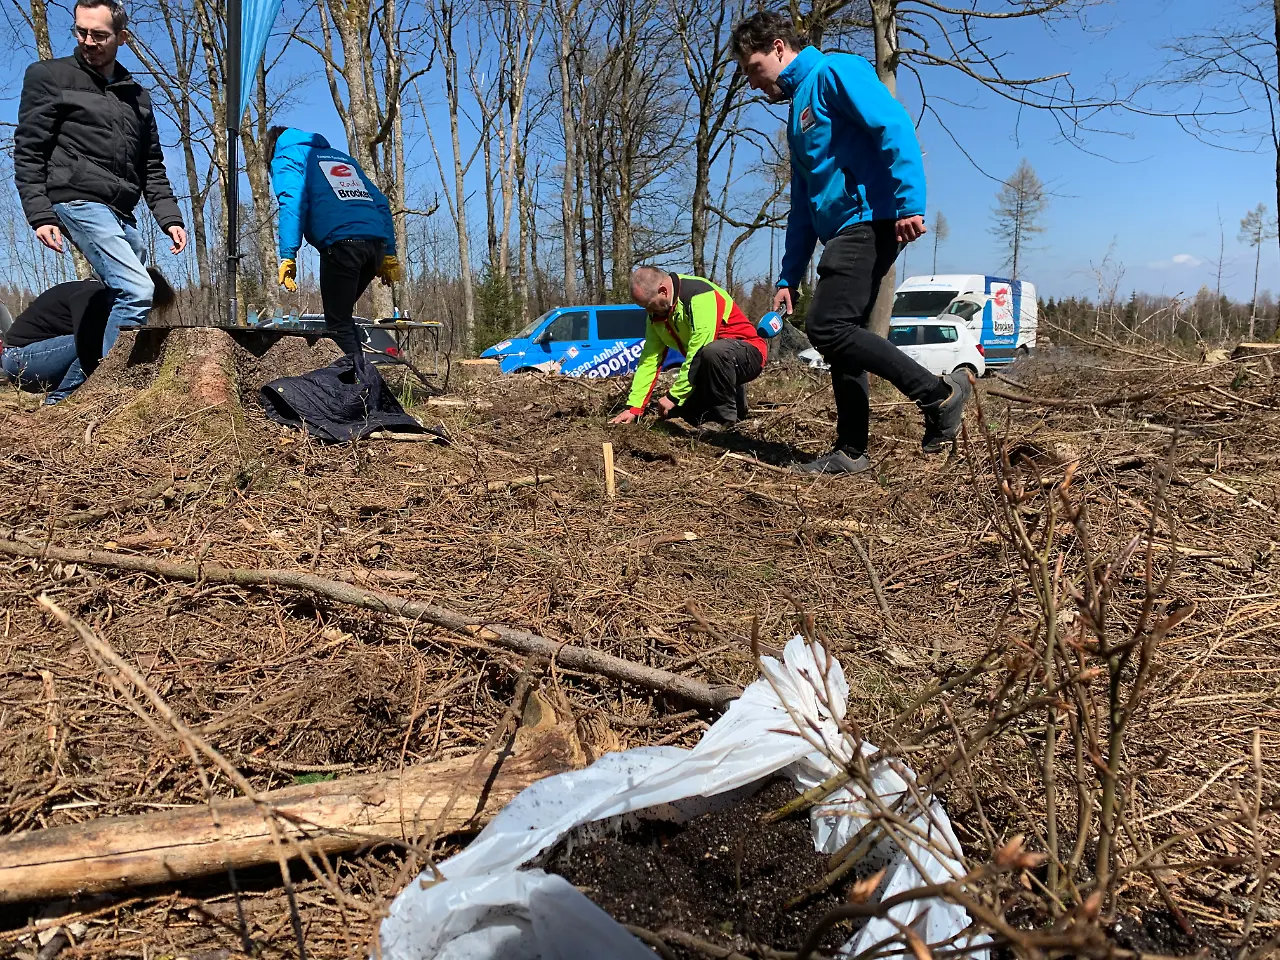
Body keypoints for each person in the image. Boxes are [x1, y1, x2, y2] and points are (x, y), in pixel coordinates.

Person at [731, 11, 972, 475]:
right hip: (842, 227)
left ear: (779, 48)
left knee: (827, 327)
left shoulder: (835, 72)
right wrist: (787, 275)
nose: (754, 84)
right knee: (843, 338)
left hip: (872, 218)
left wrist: (909, 203)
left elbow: (892, 126)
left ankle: (940, 396)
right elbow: (802, 203)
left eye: (754, 69)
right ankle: (852, 451)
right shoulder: (798, 114)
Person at [14, 0, 187, 362]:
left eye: (100, 35)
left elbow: (151, 165)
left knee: (117, 303)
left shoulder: (136, 97)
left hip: (121, 210)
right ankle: (108, 390)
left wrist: (170, 218)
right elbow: (29, 150)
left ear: (122, 37)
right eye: (82, 31)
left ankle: (73, 391)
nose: (88, 41)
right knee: (139, 290)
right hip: (77, 198)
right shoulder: (49, 76)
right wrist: (40, 214)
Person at [267, 126, 401, 356]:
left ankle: (361, 385)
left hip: (343, 244)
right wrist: (388, 252)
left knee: (337, 324)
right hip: (374, 245)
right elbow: (380, 201)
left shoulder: (287, 156)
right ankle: (360, 378)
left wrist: (288, 255)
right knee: (343, 319)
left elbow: (292, 201)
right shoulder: (341, 157)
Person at [610, 266, 766, 428]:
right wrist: (634, 407)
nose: (648, 311)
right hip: (709, 366)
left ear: (663, 291)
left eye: (649, 305)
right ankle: (735, 402)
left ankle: (722, 419)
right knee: (674, 412)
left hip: (748, 355)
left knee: (713, 351)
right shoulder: (656, 315)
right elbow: (649, 360)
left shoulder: (700, 294)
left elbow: (699, 349)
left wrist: (673, 396)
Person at [1, 268, 175, 404]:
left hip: (34, 358)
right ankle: (58, 402)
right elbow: (88, 346)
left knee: (99, 344)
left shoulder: (98, 293)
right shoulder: (91, 293)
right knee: (98, 343)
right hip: (20, 359)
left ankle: (63, 398)